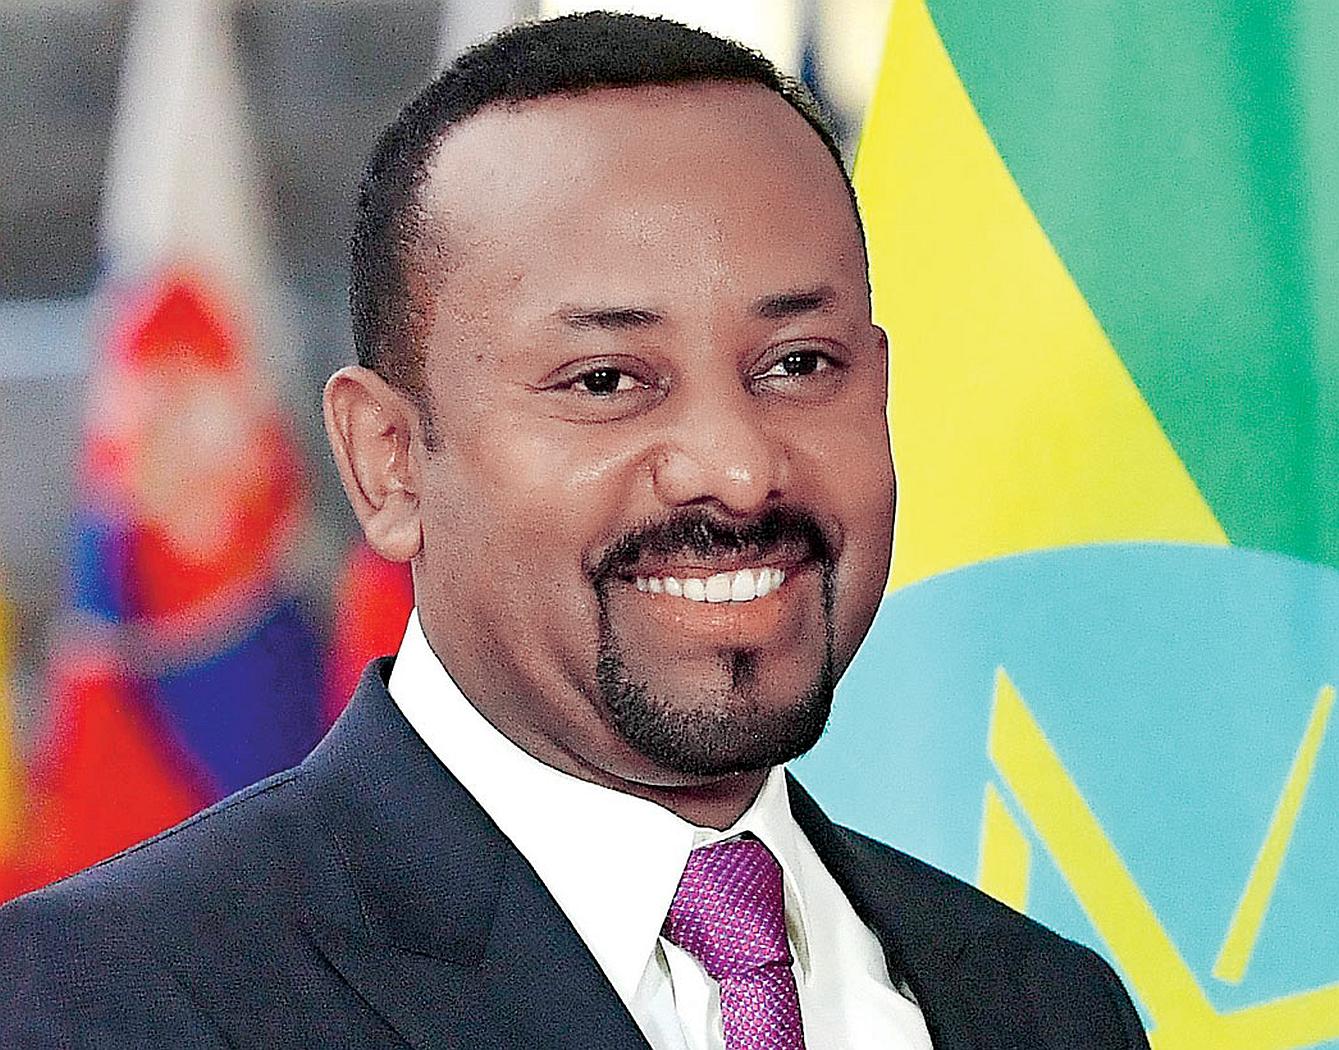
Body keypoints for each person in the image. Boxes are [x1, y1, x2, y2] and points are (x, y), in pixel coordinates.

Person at [0, 13, 1150, 1049]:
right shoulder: (101, 1004)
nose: (737, 468)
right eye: (606, 380)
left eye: (798, 365)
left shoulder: (1048, 1007)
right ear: (388, 461)